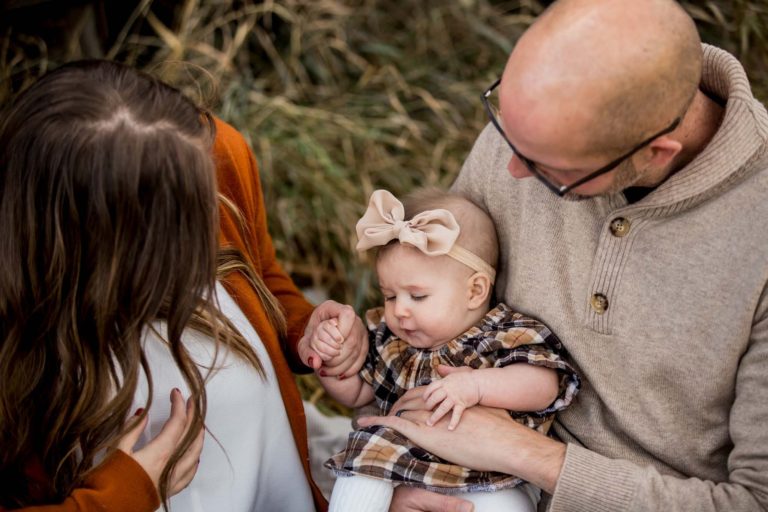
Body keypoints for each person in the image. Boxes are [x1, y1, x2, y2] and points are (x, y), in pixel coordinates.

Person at [356, 0, 768, 511]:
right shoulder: (538, 126)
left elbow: (754, 501)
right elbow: (443, 308)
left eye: (549, 169)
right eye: (501, 121)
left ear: (657, 152)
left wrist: (527, 454)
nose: (511, 170)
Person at [0, 59, 366, 512]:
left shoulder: (207, 151)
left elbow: (261, 273)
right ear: (92, 241)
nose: (208, 230)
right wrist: (122, 494)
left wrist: (304, 329)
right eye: (187, 219)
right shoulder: (22, 356)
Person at [305, 189, 580, 512]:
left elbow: (543, 387)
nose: (400, 311)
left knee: (507, 507)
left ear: (475, 291)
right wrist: (333, 359)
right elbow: (359, 394)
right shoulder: (392, 343)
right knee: (360, 475)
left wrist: (477, 386)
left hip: (489, 470)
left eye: (417, 296)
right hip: (400, 462)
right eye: (390, 296)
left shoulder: (503, 334)